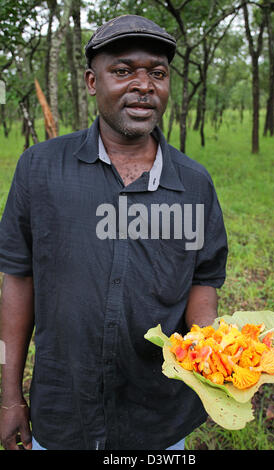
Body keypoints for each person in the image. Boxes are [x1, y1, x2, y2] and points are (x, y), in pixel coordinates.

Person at [0, 15, 228, 450]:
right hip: (64, 412)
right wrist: (9, 397)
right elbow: (17, 281)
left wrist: (210, 349)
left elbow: (203, 279)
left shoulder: (194, 184)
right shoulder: (40, 168)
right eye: (123, 71)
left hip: (158, 418)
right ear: (91, 81)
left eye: (157, 73)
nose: (144, 85)